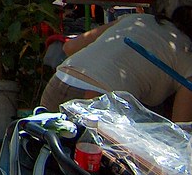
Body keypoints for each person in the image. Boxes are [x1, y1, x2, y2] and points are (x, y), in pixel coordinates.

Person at [39, 7, 192, 121]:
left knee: (42, 153)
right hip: (98, 98)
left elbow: (70, 47)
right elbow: (180, 128)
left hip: (59, 80)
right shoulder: (188, 56)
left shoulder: (138, 19)